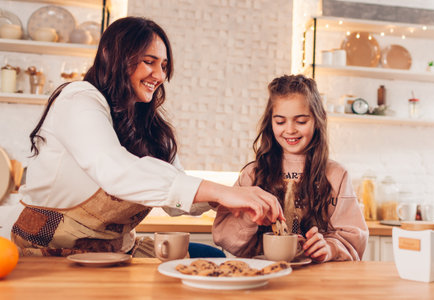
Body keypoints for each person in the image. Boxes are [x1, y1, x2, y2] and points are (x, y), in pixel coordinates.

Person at [10, 17, 283, 257]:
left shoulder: (147, 124)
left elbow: (175, 201)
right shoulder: (78, 98)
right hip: (42, 256)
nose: (160, 75)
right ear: (113, 56)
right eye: (149, 62)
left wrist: (228, 198)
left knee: (210, 260)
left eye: (164, 65)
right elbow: (115, 170)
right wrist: (224, 192)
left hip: (114, 255)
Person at [213, 74, 368, 262]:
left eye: (301, 121)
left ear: (318, 120)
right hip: (263, 278)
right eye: (280, 121)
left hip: (317, 280)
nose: (290, 130)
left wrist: (330, 248)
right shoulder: (252, 175)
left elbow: (355, 239)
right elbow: (224, 239)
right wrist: (249, 217)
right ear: (270, 122)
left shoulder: (336, 175)